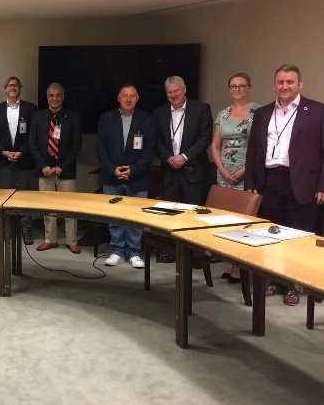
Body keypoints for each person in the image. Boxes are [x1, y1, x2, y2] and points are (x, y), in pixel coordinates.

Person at [245, 64, 324, 306]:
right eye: (280, 82)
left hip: (304, 182)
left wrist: (322, 185)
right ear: (274, 85)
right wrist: (251, 181)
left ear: (300, 84)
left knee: (299, 234)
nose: (285, 86)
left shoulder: (317, 111)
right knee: (271, 232)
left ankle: (293, 285)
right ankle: (273, 279)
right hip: (269, 180)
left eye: (290, 82)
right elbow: (253, 151)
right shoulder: (263, 113)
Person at [96, 85, 156, 268]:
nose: (128, 99)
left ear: (137, 98)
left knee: (135, 216)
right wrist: (112, 169)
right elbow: (100, 147)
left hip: (138, 177)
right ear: (118, 98)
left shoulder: (147, 119)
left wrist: (133, 170)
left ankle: (134, 252)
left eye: (132, 96)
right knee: (114, 215)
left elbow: (150, 150)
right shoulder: (106, 118)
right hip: (112, 176)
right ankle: (116, 250)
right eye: (125, 96)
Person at [211, 73, 260, 282]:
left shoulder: (258, 112)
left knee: (243, 221)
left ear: (249, 87)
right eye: (233, 86)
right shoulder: (223, 114)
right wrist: (221, 169)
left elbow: (260, 147)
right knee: (226, 220)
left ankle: (240, 267)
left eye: (241, 85)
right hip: (224, 173)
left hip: (246, 173)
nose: (237, 89)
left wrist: (245, 170)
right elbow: (215, 146)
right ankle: (230, 263)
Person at [29, 83, 82, 254]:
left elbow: (76, 145)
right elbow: (32, 144)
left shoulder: (72, 117)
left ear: (63, 97)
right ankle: (50, 240)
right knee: (47, 207)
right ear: (47, 97)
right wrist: (43, 166)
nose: (55, 98)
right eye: (51, 95)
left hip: (66, 171)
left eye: (58, 95)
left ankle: (71, 241)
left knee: (70, 207)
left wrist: (62, 166)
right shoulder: (38, 117)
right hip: (44, 171)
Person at [154, 76, 213, 205]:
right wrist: (168, 157)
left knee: (192, 213)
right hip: (169, 174)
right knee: (169, 212)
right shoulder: (159, 112)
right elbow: (156, 140)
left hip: (193, 173)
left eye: (176, 91)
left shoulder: (201, 109)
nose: (173, 95)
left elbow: (205, 137)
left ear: (184, 89)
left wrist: (185, 157)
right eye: (169, 92)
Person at [0, 76, 37, 245]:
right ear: (5, 89)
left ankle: (26, 230)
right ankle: (5, 230)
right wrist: (3, 152)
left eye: (15, 85)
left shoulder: (30, 109)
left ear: (20, 88)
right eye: (9, 85)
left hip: (24, 160)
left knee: (25, 198)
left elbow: (33, 135)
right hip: (4, 161)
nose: (12, 88)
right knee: (4, 198)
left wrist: (21, 152)